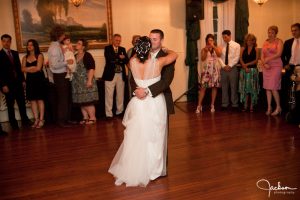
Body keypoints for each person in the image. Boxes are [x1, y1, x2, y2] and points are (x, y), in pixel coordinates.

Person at [108, 36, 178, 187]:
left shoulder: (132, 62)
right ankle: (153, 170)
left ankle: (135, 167)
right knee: (156, 136)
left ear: (136, 50)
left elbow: (134, 58)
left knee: (137, 135)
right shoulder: (157, 62)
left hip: (138, 104)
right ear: (148, 49)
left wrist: (136, 52)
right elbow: (175, 55)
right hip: (154, 103)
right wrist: (166, 49)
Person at [131, 29, 176, 177]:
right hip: (141, 100)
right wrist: (136, 90)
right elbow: (131, 79)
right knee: (142, 134)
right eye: (150, 39)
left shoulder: (164, 57)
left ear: (161, 40)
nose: (152, 42)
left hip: (158, 99)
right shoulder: (138, 58)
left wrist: (147, 90)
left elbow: (166, 81)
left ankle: (160, 168)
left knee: (159, 136)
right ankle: (144, 165)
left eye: (155, 39)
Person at [0, 34, 31, 129]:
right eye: (4, 41)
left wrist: (23, 80)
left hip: (18, 83)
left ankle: (25, 121)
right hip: (7, 85)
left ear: (10, 42)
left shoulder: (15, 53)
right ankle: (13, 124)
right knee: (10, 105)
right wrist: (3, 85)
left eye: (8, 41)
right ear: (1, 42)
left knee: (22, 103)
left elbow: (19, 68)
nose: (6, 43)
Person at [47, 25, 74, 127]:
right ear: (58, 35)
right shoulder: (54, 48)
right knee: (63, 99)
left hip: (63, 75)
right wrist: (67, 62)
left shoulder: (57, 45)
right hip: (59, 76)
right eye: (62, 33)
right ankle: (62, 121)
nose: (64, 35)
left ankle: (66, 119)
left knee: (66, 98)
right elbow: (54, 65)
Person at [71, 39, 99, 125]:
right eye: (77, 43)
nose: (77, 44)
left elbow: (91, 68)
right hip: (77, 83)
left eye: (79, 43)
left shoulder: (87, 55)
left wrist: (89, 81)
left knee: (88, 101)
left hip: (86, 81)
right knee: (81, 101)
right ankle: (85, 117)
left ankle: (93, 117)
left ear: (83, 46)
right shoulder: (74, 56)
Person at [102, 34, 129, 118]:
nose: (118, 42)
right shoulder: (107, 48)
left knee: (120, 95)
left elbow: (126, 60)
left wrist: (118, 59)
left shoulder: (122, 49)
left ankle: (119, 112)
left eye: (119, 41)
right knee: (109, 95)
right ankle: (109, 114)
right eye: (117, 40)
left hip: (121, 75)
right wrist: (120, 58)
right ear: (112, 40)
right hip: (110, 75)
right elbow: (110, 59)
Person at [21, 39, 46, 128]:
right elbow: (22, 69)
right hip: (30, 80)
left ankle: (41, 119)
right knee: (32, 100)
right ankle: (36, 119)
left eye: (31, 45)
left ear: (35, 46)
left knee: (40, 99)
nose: (29, 46)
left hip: (39, 80)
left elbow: (38, 68)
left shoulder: (40, 55)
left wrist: (29, 68)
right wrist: (32, 67)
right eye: (28, 45)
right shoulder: (24, 57)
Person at [196, 34, 222, 113]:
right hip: (206, 71)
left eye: (211, 40)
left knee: (214, 88)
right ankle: (199, 106)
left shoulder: (217, 48)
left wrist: (213, 47)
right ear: (206, 41)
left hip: (215, 71)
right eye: (208, 40)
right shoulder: (204, 49)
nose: (210, 42)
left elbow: (219, 54)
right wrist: (205, 50)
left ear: (213, 41)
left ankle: (212, 105)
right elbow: (203, 58)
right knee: (203, 88)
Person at [261, 25, 283, 116]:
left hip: (276, 66)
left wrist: (268, 59)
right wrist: (264, 63)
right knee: (267, 88)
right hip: (266, 66)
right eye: (269, 32)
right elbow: (262, 55)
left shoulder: (279, 41)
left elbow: (279, 54)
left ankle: (278, 107)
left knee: (274, 87)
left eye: (272, 32)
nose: (270, 34)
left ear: (275, 33)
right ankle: (269, 107)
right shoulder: (265, 42)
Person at [219, 30, 241, 111]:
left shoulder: (237, 45)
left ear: (230, 35)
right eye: (223, 37)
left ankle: (234, 104)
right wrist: (224, 66)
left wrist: (230, 65)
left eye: (225, 37)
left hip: (233, 69)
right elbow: (219, 57)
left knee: (233, 87)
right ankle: (224, 104)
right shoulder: (221, 46)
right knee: (224, 87)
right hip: (223, 69)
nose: (224, 39)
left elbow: (237, 57)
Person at [281, 23, 300, 114]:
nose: (293, 32)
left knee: (298, 90)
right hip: (290, 67)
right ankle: (288, 109)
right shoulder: (288, 42)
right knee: (288, 88)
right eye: (292, 31)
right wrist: (285, 64)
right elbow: (282, 55)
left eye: (295, 30)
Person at [238, 34, 260, 112]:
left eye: (250, 40)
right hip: (244, 71)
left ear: (254, 41)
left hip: (253, 71)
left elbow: (256, 60)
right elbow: (240, 58)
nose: (249, 42)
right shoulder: (242, 48)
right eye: (247, 40)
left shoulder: (256, 49)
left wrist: (246, 65)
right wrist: (244, 67)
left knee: (252, 89)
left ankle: (252, 105)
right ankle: (245, 105)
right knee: (245, 89)